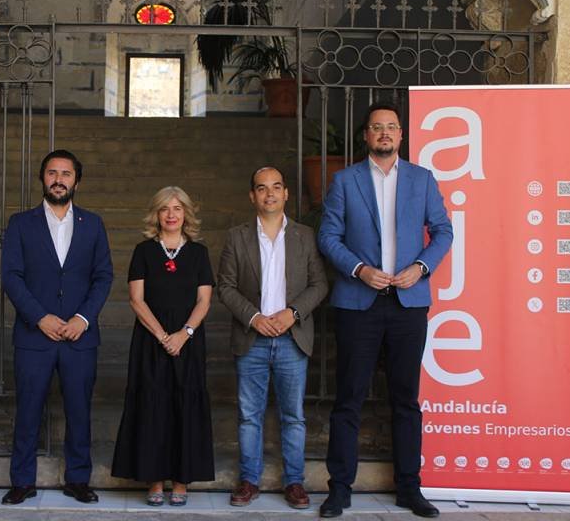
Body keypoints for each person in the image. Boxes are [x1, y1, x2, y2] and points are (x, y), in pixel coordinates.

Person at [317, 102, 453, 518]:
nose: (385, 133)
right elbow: (328, 236)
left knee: (406, 400)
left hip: (408, 303)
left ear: (401, 135)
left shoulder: (422, 179)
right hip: (358, 303)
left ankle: (410, 488)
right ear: (366, 135)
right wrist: (359, 269)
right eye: (377, 127)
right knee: (349, 398)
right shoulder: (345, 180)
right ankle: (340, 489)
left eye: (391, 127)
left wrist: (421, 267)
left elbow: (443, 231)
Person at [1, 149, 113, 505]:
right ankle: (22, 481)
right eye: (52, 173)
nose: (59, 180)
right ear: (42, 178)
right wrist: (40, 317)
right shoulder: (21, 223)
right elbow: (11, 276)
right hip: (34, 335)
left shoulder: (93, 224)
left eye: (66, 174)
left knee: (79, 410)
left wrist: (83, 318)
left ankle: (78, 479)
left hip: (80, 337)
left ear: (77, 181)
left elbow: (103, 276)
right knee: (28, 410)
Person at [217, 166, 328, 510]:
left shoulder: (304, 236)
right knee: (249, 415)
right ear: (252, 195)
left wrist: (292, 313)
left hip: (292, 337)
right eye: (262, 188)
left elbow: (319, 284)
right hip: (251, 337)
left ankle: (294, 482)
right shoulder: (237, 236)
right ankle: (249, 480)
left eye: (276, 187)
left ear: (286, 194)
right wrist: (254, 318)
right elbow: (225, 286)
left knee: (293, 416)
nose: (270, 194)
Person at [111, 186, 215, 507]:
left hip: (188, 341)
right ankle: (154, 479)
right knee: (152, 407)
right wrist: (162, 336)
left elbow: (204, 300)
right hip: (150, 340)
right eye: (165, 209)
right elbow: (136, 300)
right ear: (156, 214)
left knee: (185, 406)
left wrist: (184, 334)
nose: (171, 215)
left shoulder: (198, 253)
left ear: (186, 213)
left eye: (177, 208)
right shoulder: (144, 251)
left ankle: (181, 481)